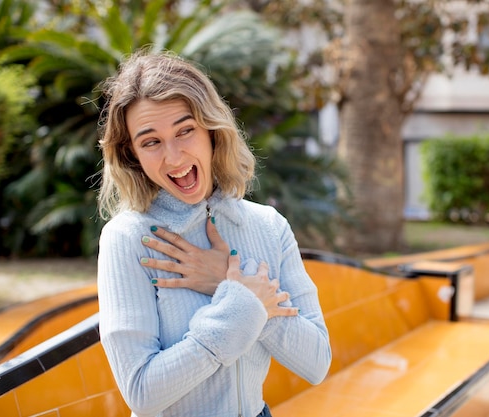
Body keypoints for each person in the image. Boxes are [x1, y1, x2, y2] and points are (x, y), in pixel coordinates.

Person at [96, 49, 332, 417]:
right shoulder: (127, 239)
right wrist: (241, 302)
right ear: (132, 155)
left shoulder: (268, 226)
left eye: (185, 130)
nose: (173, 157)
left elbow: (317, 364)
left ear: (211, 130)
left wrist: (228, 278)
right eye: (151, 141)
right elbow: (142, 393)